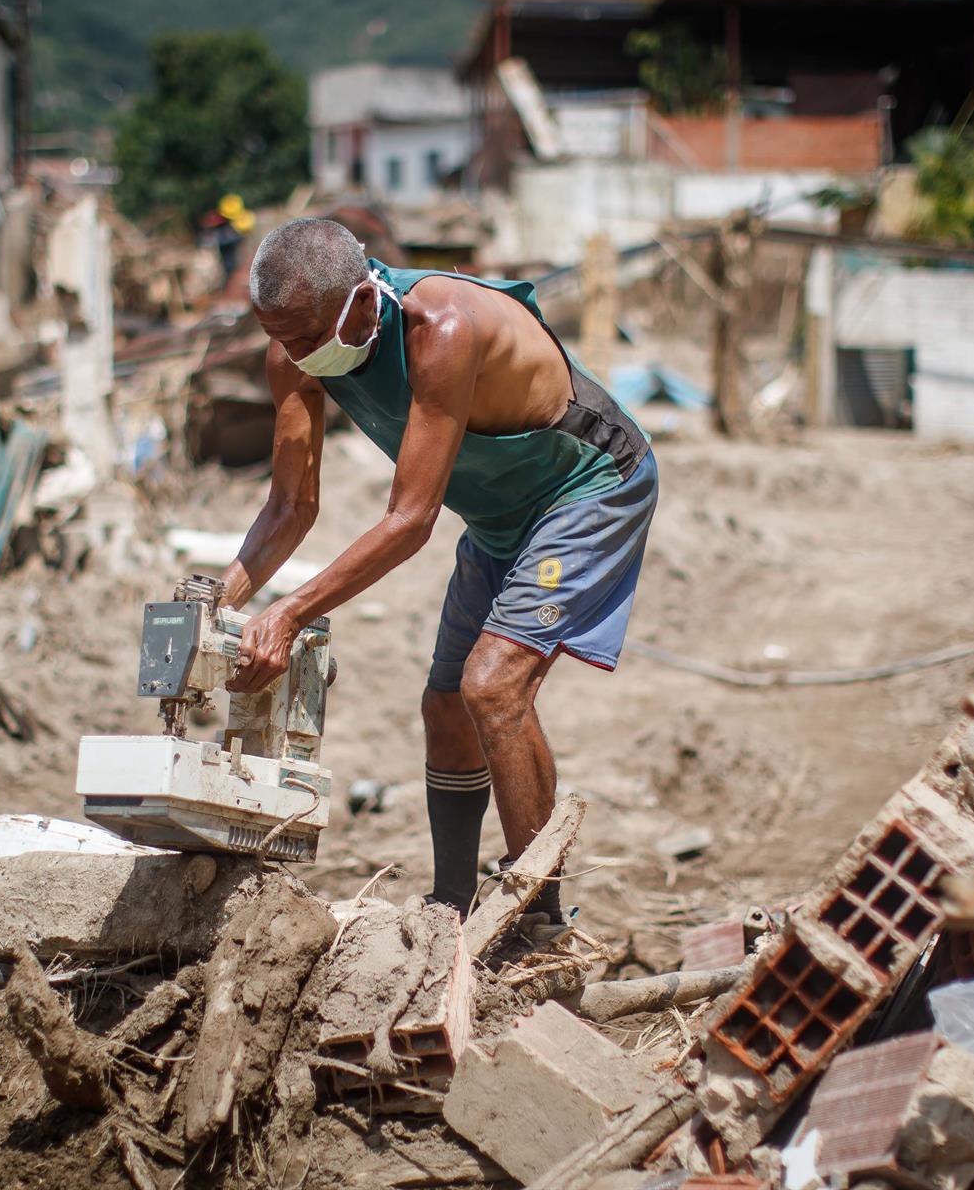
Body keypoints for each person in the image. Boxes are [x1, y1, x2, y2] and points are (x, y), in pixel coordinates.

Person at [221, 218, 658, 922]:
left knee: (492, 686)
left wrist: (288, 612)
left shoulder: (441, 328)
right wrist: (220, 602)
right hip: (500, 516)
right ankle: (449, 909)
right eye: (279, 337)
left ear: (363, 302)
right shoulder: (293, 353)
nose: (294, 356)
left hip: (590, 488)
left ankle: (539, 923)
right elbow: (291, 505)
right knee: (445, 704)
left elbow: (410, 521)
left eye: (306, 337)